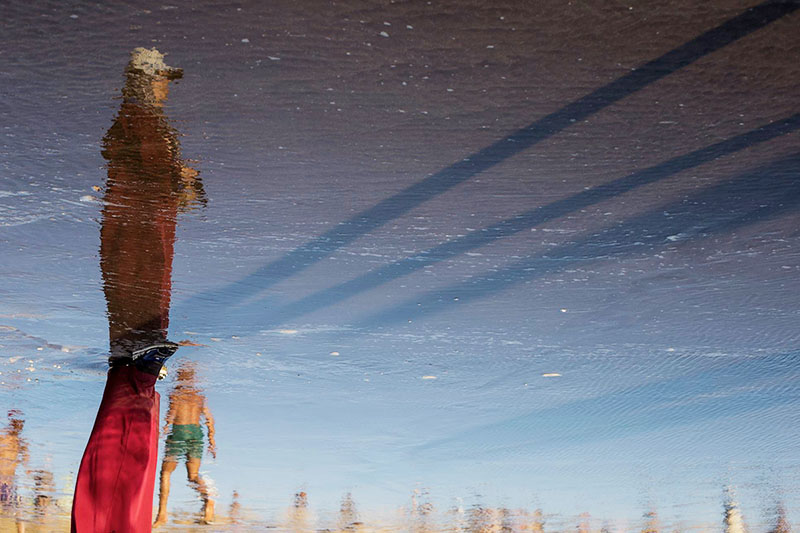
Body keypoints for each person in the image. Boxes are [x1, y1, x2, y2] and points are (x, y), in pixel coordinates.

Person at [70, 47, 204, 533]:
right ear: (147, 83)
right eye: (161, 78)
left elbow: (148, 176)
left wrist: (181, 183)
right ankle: (137, 369)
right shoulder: (140, 120)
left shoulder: (139, 120)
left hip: (137, 226)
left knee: (139, 303)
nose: (167, 86)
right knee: (141, 298)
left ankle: (137, 370)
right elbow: (147, 175)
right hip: (138, 226)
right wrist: (182, 181)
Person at [153, 362, 216, 526]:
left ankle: (162, 514)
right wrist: (212, 441)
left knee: (166, 473)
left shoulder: (176, 394)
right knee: (193, 476)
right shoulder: (199, 396)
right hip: (196, 434)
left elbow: (171, 416)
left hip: (180, 432)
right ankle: (208, 501)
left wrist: (163, 431)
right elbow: (209, 420)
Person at [0, 411, 28, 533]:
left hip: (10, 483)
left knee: (18, 509)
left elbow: (26, 461)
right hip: (2, 479)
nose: (20, 426)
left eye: (22, 423)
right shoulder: (2, 436)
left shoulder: (21, 441)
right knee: (17, 509)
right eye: (18, 423)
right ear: (11, 422)